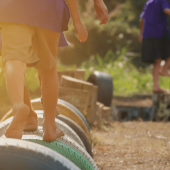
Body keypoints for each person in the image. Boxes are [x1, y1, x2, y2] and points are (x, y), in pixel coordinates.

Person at [0, 0, 109, 142]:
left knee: (14, 59)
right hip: (48, 10)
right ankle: (50, 127)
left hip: (13, 8)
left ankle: (19, 106)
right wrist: (78, 19)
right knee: (48, 69)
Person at [139, 0, 170, 93]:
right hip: (159, 33)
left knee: (157, 60)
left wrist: (141, 33)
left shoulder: (149, 3)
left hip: (147, 34)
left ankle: (155, 86)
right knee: (159, 59)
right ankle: (164, 69)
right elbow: (166, 10)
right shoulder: (163, 1)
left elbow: (141, 19)